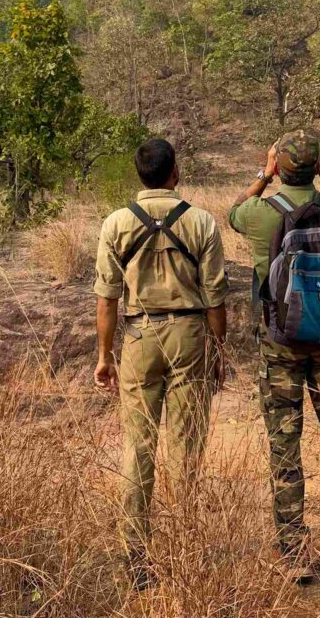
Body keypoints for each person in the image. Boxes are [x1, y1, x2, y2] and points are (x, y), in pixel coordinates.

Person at [229, 131, 320, 583]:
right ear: (315, 167)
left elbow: (233, 210)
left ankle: (293, 551)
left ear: (279, 167)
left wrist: (261, 173)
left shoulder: (258, 214)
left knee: (284, 444)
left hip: (280, 344)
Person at [93, 137, 228, 590]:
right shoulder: (201, 221)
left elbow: (107, 298)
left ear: (140, 174)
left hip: (137, 335)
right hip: (190, 334)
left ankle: (136, 556)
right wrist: (219, 352)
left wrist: (104, 356)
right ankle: (186, 544)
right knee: (187, 444)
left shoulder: (115, 223)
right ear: (176, 172)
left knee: (138, 447)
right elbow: (215, 297)